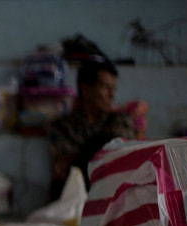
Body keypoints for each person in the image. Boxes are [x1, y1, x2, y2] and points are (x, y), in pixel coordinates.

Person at [47, 59, 136, 200]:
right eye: (106, 88)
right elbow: (65, 170)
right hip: (75, 196)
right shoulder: (63, 126)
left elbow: (123, 159)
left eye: (113, 89)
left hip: (112, 194)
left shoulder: (120, 121)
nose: (111, 95)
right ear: (86, 89)